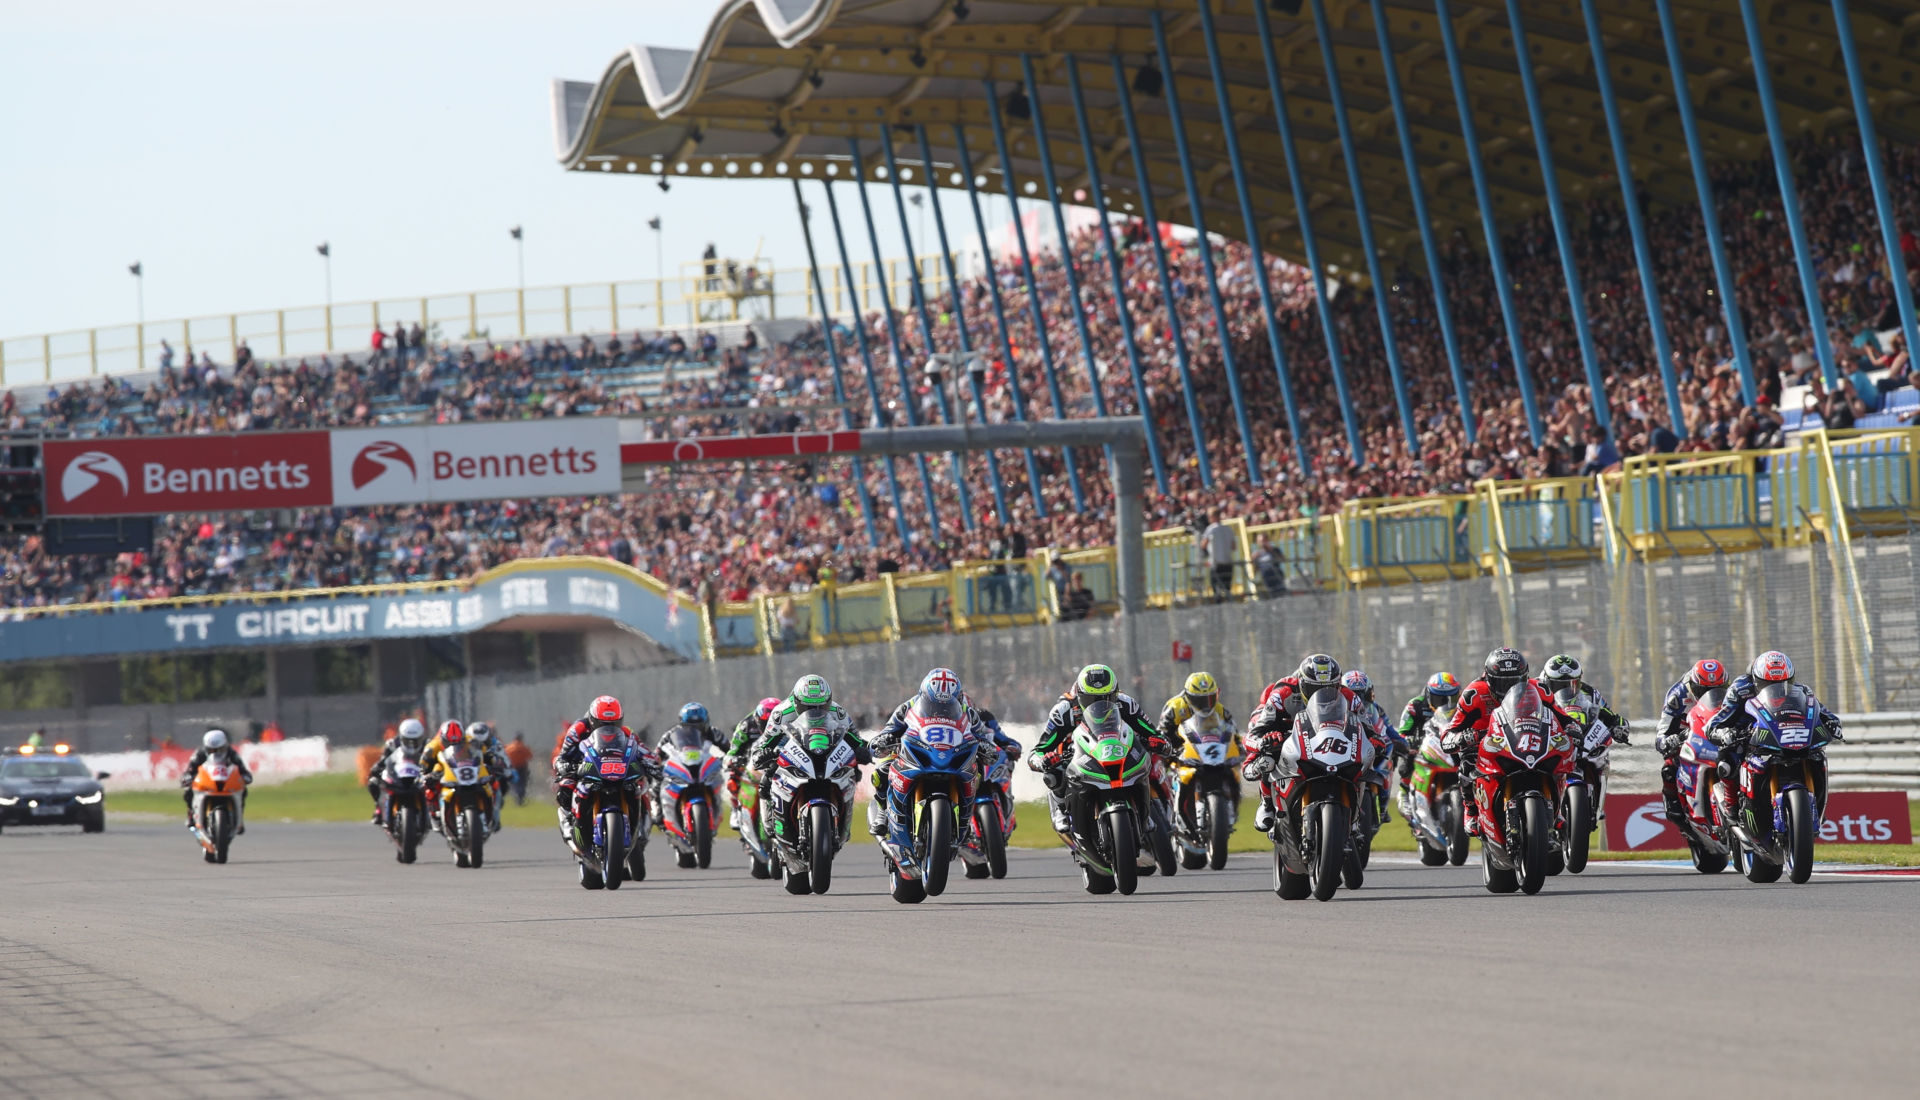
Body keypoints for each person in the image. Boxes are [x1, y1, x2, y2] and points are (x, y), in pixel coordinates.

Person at [1440, 648, 1580, 836]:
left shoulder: (1539, 689)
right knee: (1466, 765)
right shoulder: (1474, 694)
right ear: (1488, 678)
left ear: (1525, 678)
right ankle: (1471, 810)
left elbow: (1561, 716)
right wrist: (1464, 737)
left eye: (1514, 682)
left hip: (1526, 738)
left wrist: (1572, 727)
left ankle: (1557, 808)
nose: (1507, 689)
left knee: (1558, 761)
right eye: (1501, 682)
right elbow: (1449, 734)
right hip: (1487, 743)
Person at [868, 668, 1021, 838]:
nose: (942, 708)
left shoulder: (968, 712)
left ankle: (965, 821)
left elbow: (982, 734)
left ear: (958, 697)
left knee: (976, 775)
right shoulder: (908, 706)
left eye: (948, 703)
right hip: (916, 753)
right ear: (924, 696)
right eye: (935, 704)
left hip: (950, 755)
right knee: (882, 771)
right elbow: (890, 728)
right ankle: (882, 813)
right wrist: (885, 738)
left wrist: (987, 747)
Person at [1026, 665, 1178, 834]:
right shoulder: (1064, 711)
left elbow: (1152, 733)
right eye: (1092, 699)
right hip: (1079, 755)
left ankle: (1145, 809)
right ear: (1080, 695)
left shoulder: (1126, 704)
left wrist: (1160, 743)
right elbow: (1040, 749)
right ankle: (1060, 809)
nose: (1099, 704)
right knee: (1054, 773)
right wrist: (1042, 760)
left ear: (1115, 694)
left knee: (1146, 759)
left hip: (1116, 749)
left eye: (1106, 698)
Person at [1702, 652, 1844, 818]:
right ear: (1756, 680)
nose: (1776, 690)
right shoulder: (1740, 689)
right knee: (1726, 760)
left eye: (1783, 683)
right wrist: (1726, 733)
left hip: (1785, 733)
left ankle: (1815, 806)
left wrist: (1832, 724)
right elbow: (1716, 722)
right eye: (1768, 684)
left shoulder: (1801, 690)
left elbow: (1823, 712)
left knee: (1817, 756)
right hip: (1749, 733)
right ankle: (1731, 803)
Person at [1240, 654, 1357, 832]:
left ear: (1338, 684)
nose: (1322, 694)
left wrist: (1377, 741)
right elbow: (1256, 731)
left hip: (1328, 737)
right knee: (1268, 756)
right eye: (1314, 688)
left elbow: (1369, 727)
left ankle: (1357, 815)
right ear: (1301, 683)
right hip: (1288, 732)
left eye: (1330, 688)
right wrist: (1264, 741)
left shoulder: (1349, 696)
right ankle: (1267, 803)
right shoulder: (1283, 692)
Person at [553, 696, 660, 837]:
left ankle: (638, 825)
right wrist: (564, 766)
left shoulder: (626, 732)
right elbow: (563, 756)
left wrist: (654, 764)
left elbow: (644, 752)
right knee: (566, 784)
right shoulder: (577, 730)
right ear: (592, 720)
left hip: (618, 771)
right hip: (586, 769)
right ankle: (569, 821)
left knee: (639, 784)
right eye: (603, 724)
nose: (609, 729)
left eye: (614, 724)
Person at [1651, 658, 1730, 821]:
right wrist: (1669, 741)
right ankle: (1675, 810)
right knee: (1668, 768)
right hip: (1689, 738)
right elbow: (1662, 731)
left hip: (1720, 738)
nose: (1710, 694)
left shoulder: (1730, 694)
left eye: (1717, 689)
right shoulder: (1678, 697)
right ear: (1694, 687)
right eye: (1704, 690)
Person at [1342, 669, 1403, 826]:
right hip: (1347, 750)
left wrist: (1403, 743)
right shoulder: (1336, 709)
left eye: (1363, 695)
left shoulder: (1377, 709)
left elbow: (1389, 729)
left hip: (1372, 748)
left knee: (1391, 760)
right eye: (1354, 695)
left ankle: (1383, 807)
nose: (1359, 700)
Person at [1393, 673, 1462, 792]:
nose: (1445, 702)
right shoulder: (1415, 705)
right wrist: (1408, 742)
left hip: (1451, 744)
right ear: (1429, 695)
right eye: (1439, 699)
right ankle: (1405, 793)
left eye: (1451, 698)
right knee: (1406, 764)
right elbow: (1403, 731)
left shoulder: (1462, 707)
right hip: (1422, 746)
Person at [179, 729, 253, 833]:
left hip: (226, 782)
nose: (215, 753)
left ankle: (239, 819)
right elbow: (191, 769)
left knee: (243, 790)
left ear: (225, 746)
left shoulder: (231, 753)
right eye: (211, 750)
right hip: (207, 782)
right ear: (206, 747)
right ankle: (191, 815)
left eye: (219, 749)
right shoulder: (199, 754)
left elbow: (241, 768)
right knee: (188, 791)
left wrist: (245, 776)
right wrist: (187, 777)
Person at [365, 717, 428, 824]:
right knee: (373, 782)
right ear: (402, 737)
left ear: (421, 737)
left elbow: (436, 760)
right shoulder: (392, 744)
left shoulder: (427, 745)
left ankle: (435, 812)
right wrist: (377, 768)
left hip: (419, 776)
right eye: (408, 741)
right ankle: (379, 809)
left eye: (415, 741)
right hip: (398, 775)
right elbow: (384, 759)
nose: (411, 744)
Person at [504, 733, 533, 805]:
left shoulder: (509, 747)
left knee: (514, 783)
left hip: (512, 768)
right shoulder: (524, 747)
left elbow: (505, 756)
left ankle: (516, 795)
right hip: (522, 767)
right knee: (522, 783)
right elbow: (530, 756)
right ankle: (520, 796)